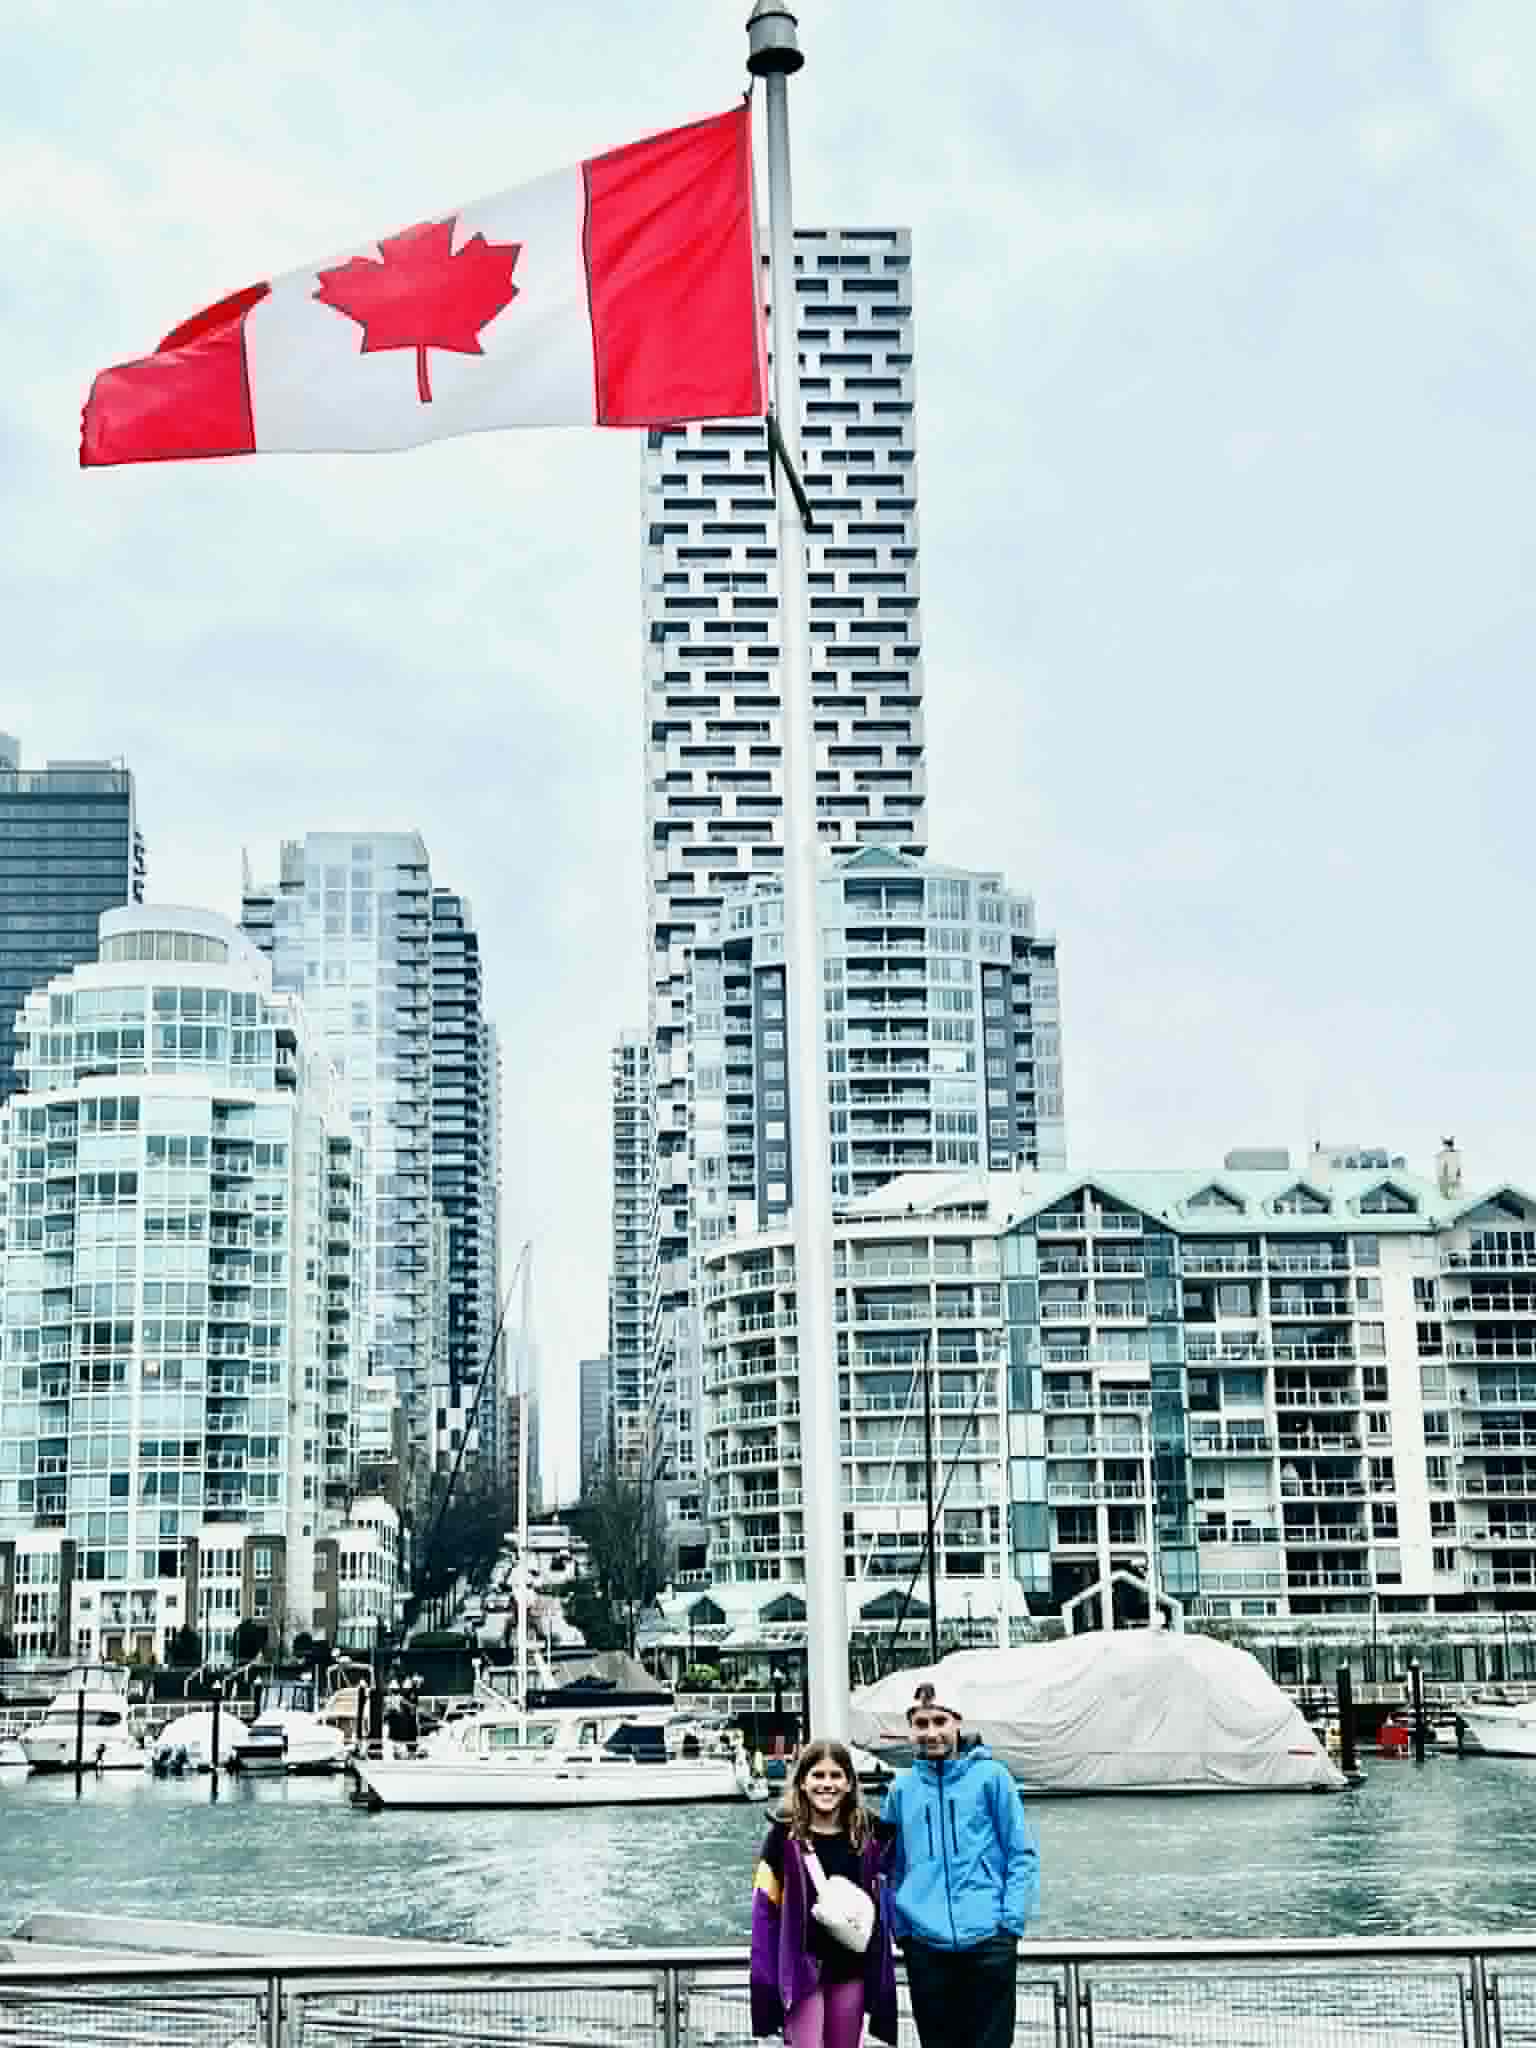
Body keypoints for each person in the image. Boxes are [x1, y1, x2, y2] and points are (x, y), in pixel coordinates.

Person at [881, 1681, 1038, 2048]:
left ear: (958, 1722)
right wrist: (903, 1927)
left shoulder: (992, 1778)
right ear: (911, 1729)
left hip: (988, 1938)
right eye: (922, 1724)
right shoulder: (900, 1791)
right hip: (925, 1943)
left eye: (940, 1721)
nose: (931, 1732)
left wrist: (1009, 1923)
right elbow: (891, 1866)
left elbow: (1021, 1852)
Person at [751, 1738, 897, 2048]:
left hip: (851, 1971)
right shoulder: (781, 1839)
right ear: (802, 1782)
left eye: (836, 1775)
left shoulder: (870, 1837)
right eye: (818, 1775)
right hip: (802, 1973)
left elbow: (887, 1899)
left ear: (848, 1783)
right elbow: (764, 1913)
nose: (826, 1784)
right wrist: (766, 1981)